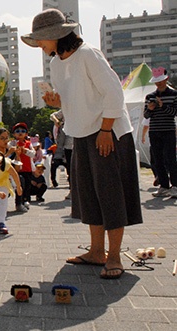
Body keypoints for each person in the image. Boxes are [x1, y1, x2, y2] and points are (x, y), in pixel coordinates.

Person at [23, 8, 143, 279]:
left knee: (110, 192)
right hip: (82, 133)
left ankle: (114, 257)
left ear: (55, 35)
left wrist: (106, 129)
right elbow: (74, 99)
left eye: (41, 40)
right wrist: (58, 102)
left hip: (108, 131)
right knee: (88, 193)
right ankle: (96, 251)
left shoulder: (88, 54)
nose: (39, 46)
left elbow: (114, 93)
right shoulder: (56, 63)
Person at [143, 67, 177, 197]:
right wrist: (151, 109)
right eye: (156, 82)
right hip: (154, 130)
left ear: (166, 79)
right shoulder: (150, 96)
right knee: (158, 160)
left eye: (161, 81)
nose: (159, 84)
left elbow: (175, 113)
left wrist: (163, 106)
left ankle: (175, 185)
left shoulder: (174, 94)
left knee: (171, 159)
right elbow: (146, 115)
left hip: (168, 129)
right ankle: (163, 186)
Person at [12, 123, 35, 211]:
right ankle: (19, 202)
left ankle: (26, 200)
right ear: (14, 134)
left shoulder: (28, 144)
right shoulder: (13, 143)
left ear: (26, 134)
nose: (20, 133)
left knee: (28, 185)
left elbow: (33, 154)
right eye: (17, 131)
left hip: (27, 168)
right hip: (18, 169)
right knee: (20, 185)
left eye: (23, 131)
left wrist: (25, 151)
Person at [49, 109, 73, 191]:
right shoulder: (67, 108)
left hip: (81, 141)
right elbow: (52, 115)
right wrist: (56, 121)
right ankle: (72, 189)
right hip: (68, 145)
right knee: (71, 168)